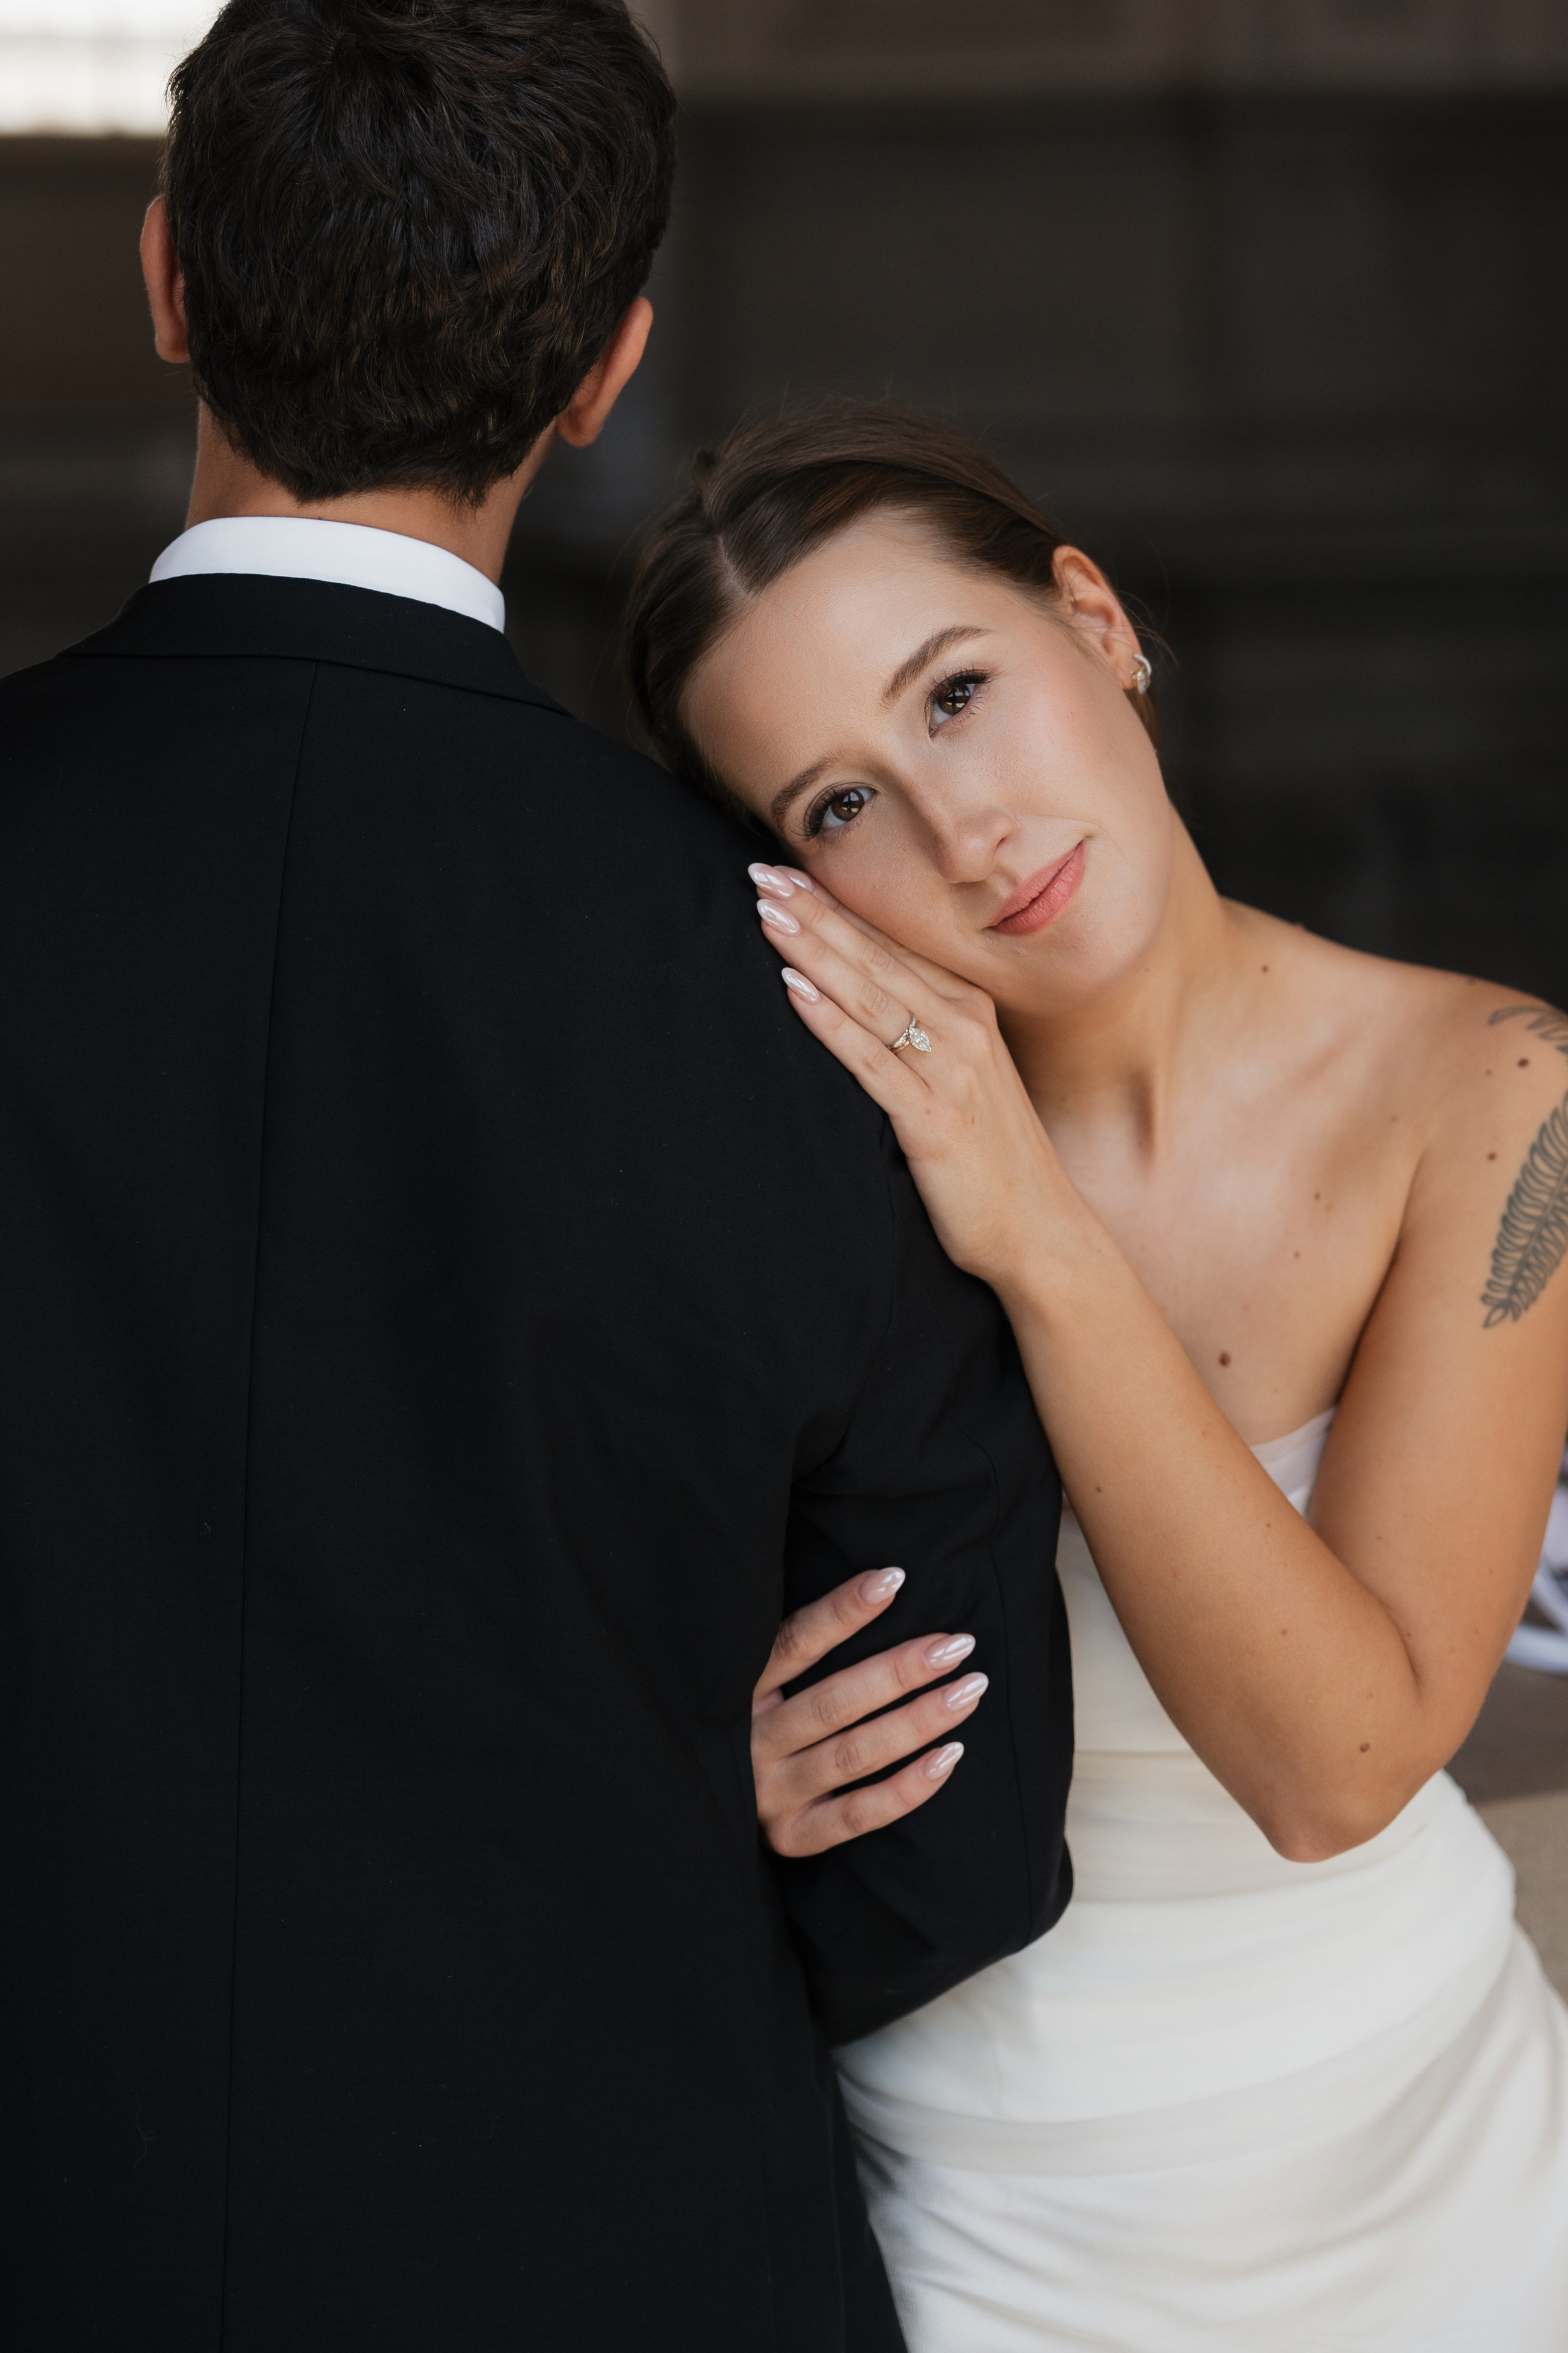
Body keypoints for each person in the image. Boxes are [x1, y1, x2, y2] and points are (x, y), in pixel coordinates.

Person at [0, 18, 1074, 2349]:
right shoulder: (816, 996)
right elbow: (952, 1850)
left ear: (168, 276)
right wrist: (679, 1790)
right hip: (620, 2261)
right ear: (604, 374)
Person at [623, 404, 1568, 2351]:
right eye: (838, 803)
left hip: (1437, 2165)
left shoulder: (1497, 1096)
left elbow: (1342, 1764)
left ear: (1097, 618)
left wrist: (1036, 1232)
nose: (961, 831)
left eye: (958, 693)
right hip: (987, 2218)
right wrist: (695, 1791)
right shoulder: (774, 1184)